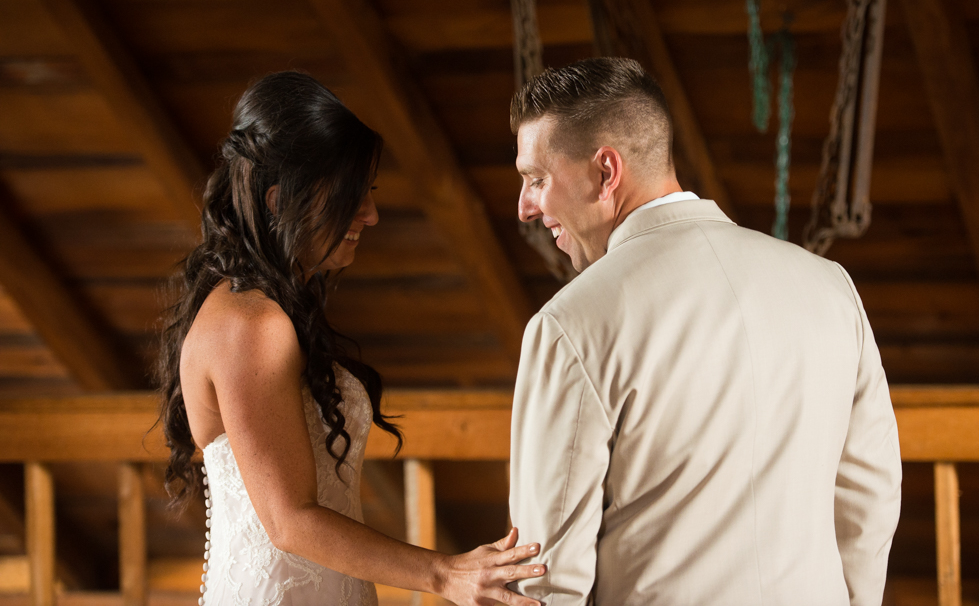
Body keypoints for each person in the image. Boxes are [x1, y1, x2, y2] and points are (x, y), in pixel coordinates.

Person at [507, 57, 901, 605]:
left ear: (605, 171)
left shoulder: (571, 323)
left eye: (537, 179)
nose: (526, 206)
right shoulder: (830, 287)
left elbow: (545, 574)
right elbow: (869, 499)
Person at [156, 71, 545, 606]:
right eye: (349, 197)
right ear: (278, 202)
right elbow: (290, 521)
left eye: (369, 193)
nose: (371, 214)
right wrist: (443, 574)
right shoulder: (251, 324)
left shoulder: (270, 309)